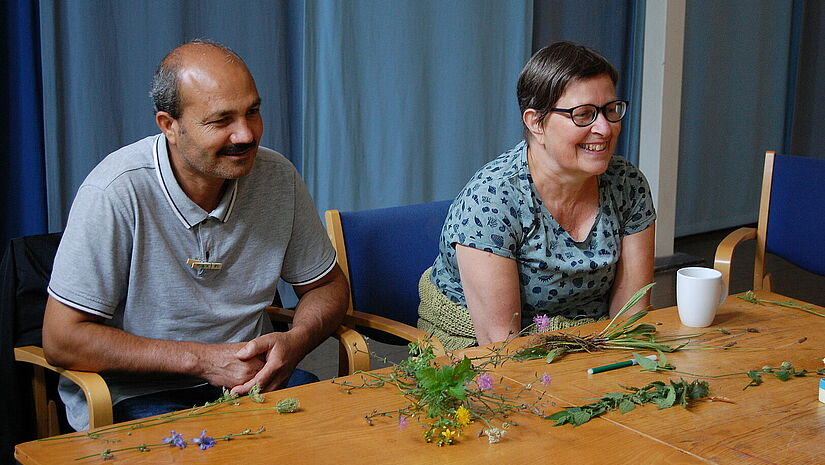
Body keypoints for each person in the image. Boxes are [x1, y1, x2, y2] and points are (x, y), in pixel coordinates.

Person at [42, 40, 349, 431]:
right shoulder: (116, 191)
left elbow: (328, 286)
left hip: (249, 382)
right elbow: (62, 339)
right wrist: (203, 360)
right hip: (137, 394)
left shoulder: (277, 177)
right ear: (169, 126)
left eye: (252, 112)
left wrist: (296, 340)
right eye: (221, 121)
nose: (245, 134)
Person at [418, 41, 656, 351]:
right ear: (536, 122)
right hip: (476, 350)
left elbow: (630, 317)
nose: (605, 128)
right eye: (584, 114)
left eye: (611, 110)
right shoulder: (493, 199)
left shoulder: (628, 183)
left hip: (592, 345)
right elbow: (500, 345)